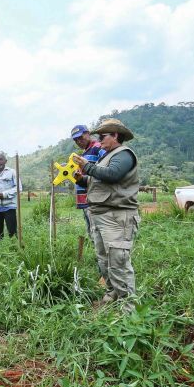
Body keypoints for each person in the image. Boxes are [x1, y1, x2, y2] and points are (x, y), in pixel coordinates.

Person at [74, 119, 139, 309]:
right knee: (103, 259)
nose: (99, 140)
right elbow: (99, 182)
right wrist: (81, 179)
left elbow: (112, 175)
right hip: (100, 215)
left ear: (115, 135)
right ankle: (113, 293)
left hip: (116, 217)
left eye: (103, 136)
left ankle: (130, 310)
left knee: (118, 261)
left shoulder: (123, 155)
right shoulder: (107, 156)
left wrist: (87, 166)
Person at [70, 124, 106, 238]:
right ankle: (97, 254)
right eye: (76, 140)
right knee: (91, 230)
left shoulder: (98, 147)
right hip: (85, 200)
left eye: (81, 137)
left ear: (88, 133)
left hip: (93, 199)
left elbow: (105, 168)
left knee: (97, 231)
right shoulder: (85, 152)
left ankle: (101, 254)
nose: (79, 141)